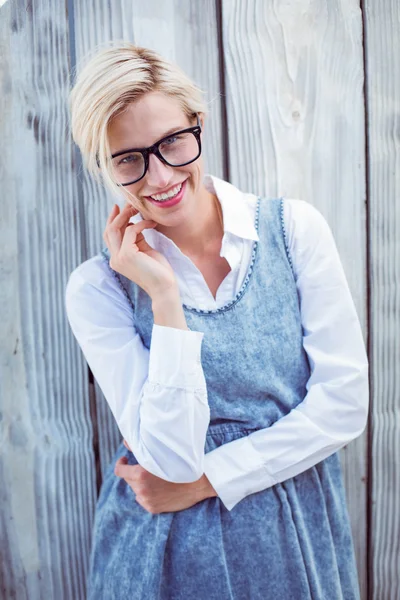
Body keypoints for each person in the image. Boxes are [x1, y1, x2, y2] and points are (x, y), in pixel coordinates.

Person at [66, 42, 369, 600]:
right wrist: (162, 296)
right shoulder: (98, 289)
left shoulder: (293, 230)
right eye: (129, 158)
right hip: (162, 551)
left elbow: (344, 403)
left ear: (198, 125)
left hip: (290, 531)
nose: (158, 177)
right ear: (106, 168)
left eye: (172, 142)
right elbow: (172, 457)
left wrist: (208, 482)